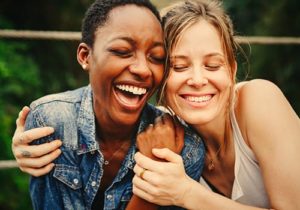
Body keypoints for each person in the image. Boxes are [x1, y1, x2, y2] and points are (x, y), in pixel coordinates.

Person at [11, 0, 205, 209]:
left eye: (156, 57)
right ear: (85, 56)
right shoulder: (52, 124)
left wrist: (159, 168)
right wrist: (153, 177)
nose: (143, 69)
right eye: (122, 51)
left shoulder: (184, 149)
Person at [130, 0, 300, 209]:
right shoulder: (164, 132)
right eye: (179, 66)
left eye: (212, 65)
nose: (198, 79)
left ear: (232, 70)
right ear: (161, 77)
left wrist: (187, 194)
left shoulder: (259, 100)